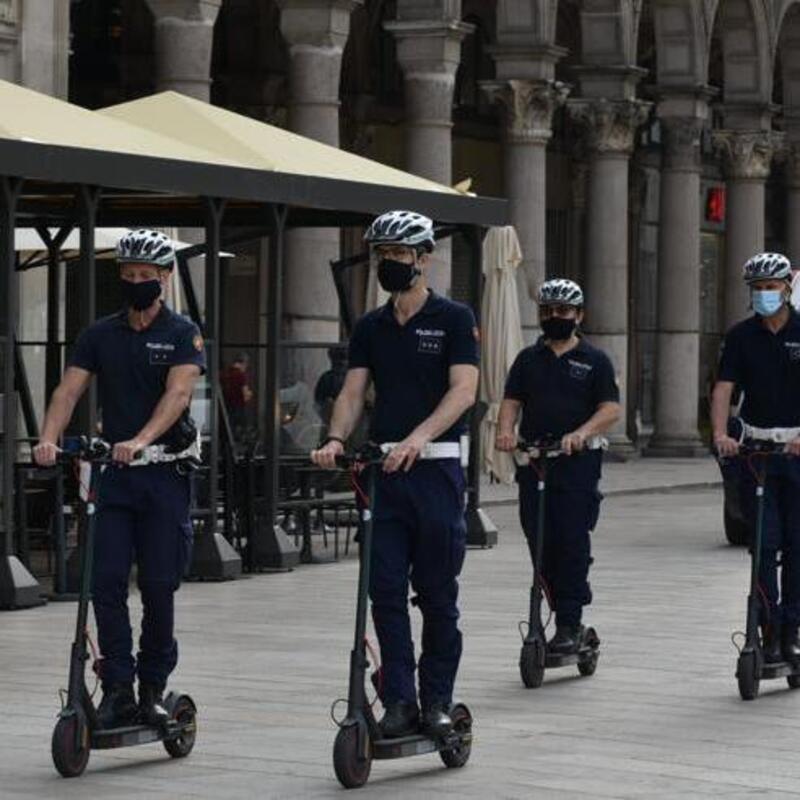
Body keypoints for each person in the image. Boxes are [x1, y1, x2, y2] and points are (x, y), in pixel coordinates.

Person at [311, 210, 479, 739]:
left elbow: (464, 391)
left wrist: (419, 437)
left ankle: (437, 701)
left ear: (423, 259)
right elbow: (353, 392)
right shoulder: (371, 327)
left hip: (436, 472)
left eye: (399, 255)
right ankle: (400, 701)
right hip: (385, 474)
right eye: (382, 255)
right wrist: (335, 439)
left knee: (436, 594)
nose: (389, 263)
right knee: (383, 590)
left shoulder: (454, 319)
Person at [33, 229, 206, 729]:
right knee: (105, 583)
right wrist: (48, 438)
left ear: (165, 277)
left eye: (145, 275)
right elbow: (68, 391)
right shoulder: (100, 334)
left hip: (163, 474)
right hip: (113, 477)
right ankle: (117, 687)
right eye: (128, 275)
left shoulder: (183, 332)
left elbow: (177, 395)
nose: (135, 282)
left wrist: (142, 439)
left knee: (158, 585)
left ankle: (152, 686)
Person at [495, 278, 621, 655]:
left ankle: (569, 621)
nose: (555, 317)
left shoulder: (595, 360)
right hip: (536, 460)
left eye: (563, 311)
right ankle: (556, 604)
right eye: (548, 311)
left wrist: (581, 433)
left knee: (570, 539)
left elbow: (610, 409)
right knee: (538, 536)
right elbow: (511, 401)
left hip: (576, 463)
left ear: (578, 315)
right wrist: (505, 432)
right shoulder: (527, 359)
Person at [712, 252, 800, 665]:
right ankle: (767, 626)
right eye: (758, 288)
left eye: (771, 286)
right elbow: (724, 388)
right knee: (763, 545)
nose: (765, 293)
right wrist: (720, 434)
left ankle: (791, 629)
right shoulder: (741, 336)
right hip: (757, 452)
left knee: (797, 546)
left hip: (796, 451)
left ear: (786, 288)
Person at [221, 352, 253, 439]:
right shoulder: (241, 376)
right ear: (244, 363)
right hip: (238, 408)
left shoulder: (225, 373)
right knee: (242, 431)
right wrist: (250, 394)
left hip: (226, 407)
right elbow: (245, 396)